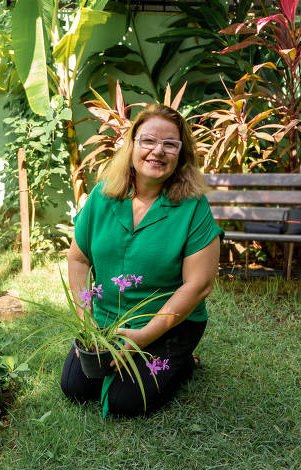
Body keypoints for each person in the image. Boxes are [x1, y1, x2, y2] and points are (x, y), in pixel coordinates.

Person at [60, 104, 223, 416]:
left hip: (169, 323)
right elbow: (79, 259)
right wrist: (86, 319)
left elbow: (199, 285)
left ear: (181, 154)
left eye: (169, 144)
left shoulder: (193, 207)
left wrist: (144, 337)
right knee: (76, 388)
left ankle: (182, 362)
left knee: (124, 402)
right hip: (108, 320)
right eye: (148, 141)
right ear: (132, 144)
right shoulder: (102, 196)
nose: (157, 151)